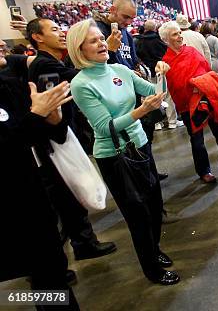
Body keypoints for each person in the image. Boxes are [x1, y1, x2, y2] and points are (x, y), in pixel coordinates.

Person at [67, 19, 179, 285]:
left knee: (153, 208)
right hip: (115, 155)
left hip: (140, 146)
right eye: (93, 41)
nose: (102, 43)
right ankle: (151, 268)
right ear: (79, 49)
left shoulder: (119, 69)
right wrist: (142, 111)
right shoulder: (81, 84)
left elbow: (156, 93)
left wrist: (162, 73)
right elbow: (105, 128)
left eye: (101, 38)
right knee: (137, 215)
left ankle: (154, 250)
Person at [24, 17, 117, 261]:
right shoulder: (44, 65)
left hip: (61, 135)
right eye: (54, 30)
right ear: (38, 37)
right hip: (54, 140)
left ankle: (79, 241)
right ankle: (83, 243)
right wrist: (105, 55)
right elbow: (78, 78)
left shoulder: (52, 61)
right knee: (66, 192)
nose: (61, 32)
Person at [0, 50, 80, 309]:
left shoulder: (11, 85)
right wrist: (36, 116)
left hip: (36, 193)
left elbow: (42, 132)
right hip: (12, 206)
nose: (2, 43)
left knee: (53, 273)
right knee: (45, 280)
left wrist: (53, 120)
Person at [159, 21, 218, 183]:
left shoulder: (191, 51)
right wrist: (194, 84)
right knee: (197, 142)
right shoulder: (166, 62)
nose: (180, 36)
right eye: (175, 34)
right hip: (188, 106)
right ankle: (204, 171)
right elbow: (174, 86)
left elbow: (206, 69)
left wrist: (202, 83)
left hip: (208, 98)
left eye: (179, 32)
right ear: (166, 40)